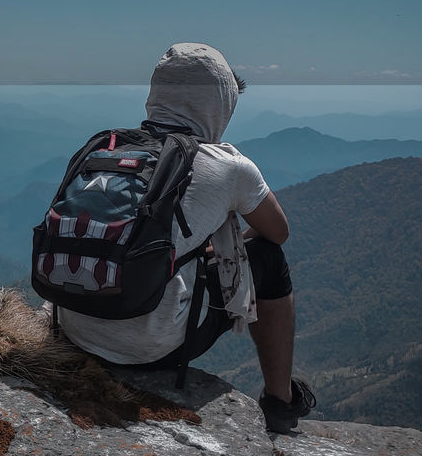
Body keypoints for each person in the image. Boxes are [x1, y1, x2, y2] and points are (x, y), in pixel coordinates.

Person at [56, 42, 316, 434]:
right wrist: (222, 249)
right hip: (149, 348)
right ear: (219, 104)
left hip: (74, 331)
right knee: (268, 260)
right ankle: (281, 402)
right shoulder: (227, 165)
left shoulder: (104, 147)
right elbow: (277, 232)